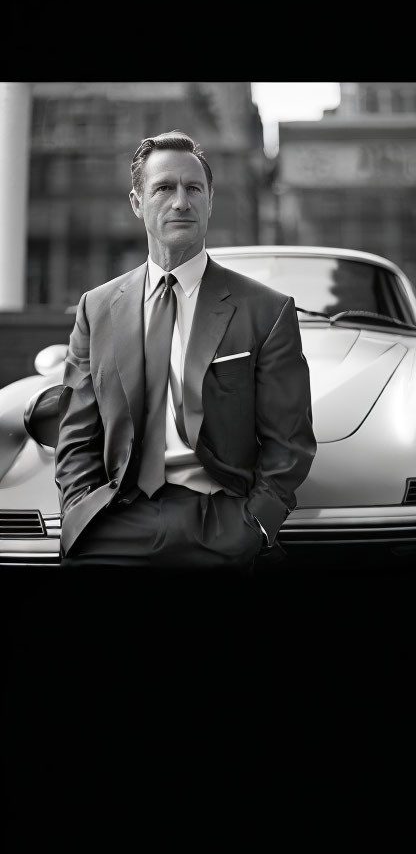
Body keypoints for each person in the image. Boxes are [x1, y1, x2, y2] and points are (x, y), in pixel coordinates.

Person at [55, 131, 316, 573]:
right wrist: (80, 510)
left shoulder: (266, 311)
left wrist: (256, 525)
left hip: (220, 520)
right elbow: (77, 434)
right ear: (138, 203)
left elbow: (289, 443)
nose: (181, 202)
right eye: (164, 188)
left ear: (210, 201)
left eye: (193, 189)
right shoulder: (95, 308)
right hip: (114, 522)